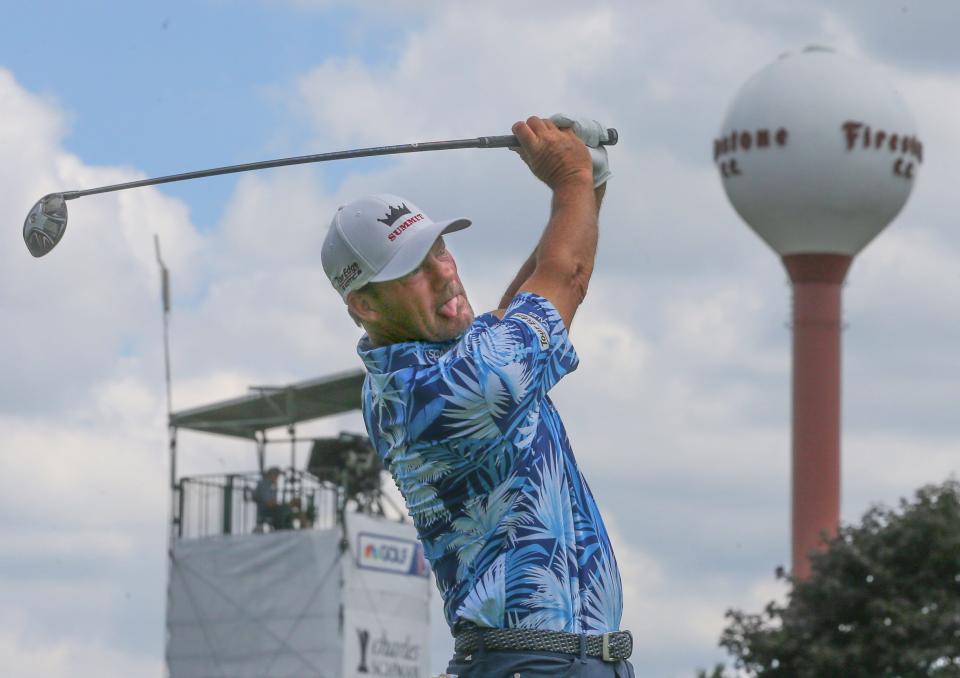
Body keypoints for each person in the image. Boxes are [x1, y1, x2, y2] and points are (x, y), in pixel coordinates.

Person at [321, 115, 633, 677]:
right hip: (535, 664)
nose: (445, 274)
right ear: (365, 306)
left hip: (554, 662)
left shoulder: (426, 365)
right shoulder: (451, 387)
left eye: (439, 249)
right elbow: (566, 277)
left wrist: (590, 184)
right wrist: (570, 181)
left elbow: (528, 300)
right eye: (414, 268)